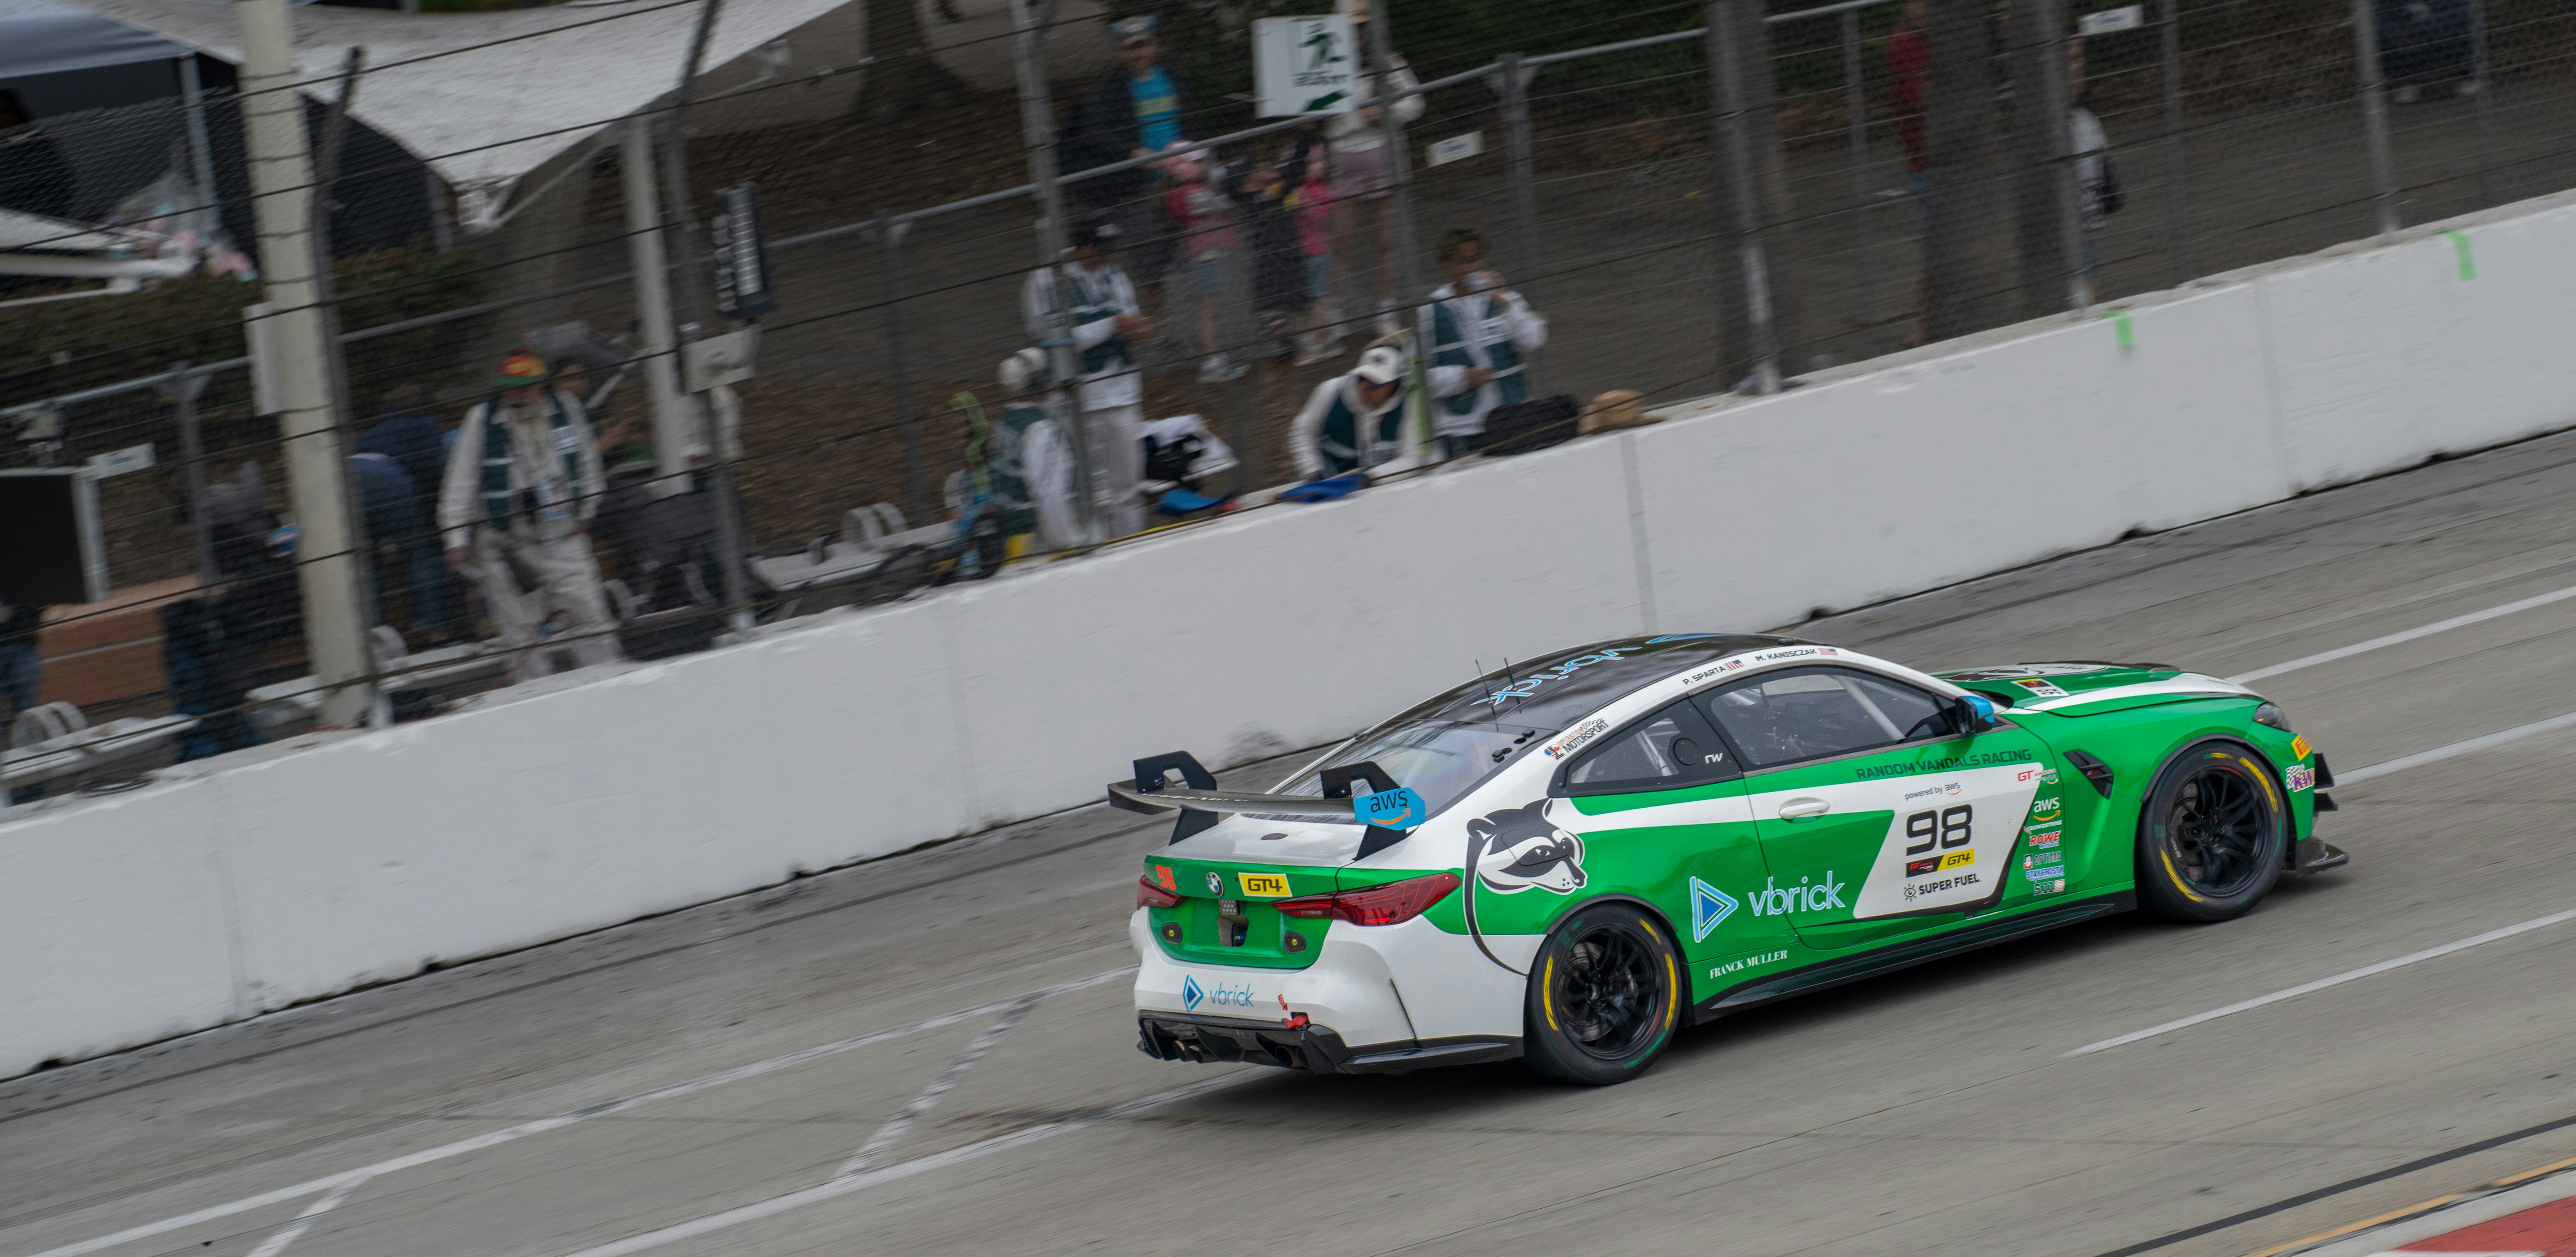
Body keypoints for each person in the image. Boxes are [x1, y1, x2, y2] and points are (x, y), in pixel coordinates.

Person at [436, 350, 622, 678]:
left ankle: (605, 678)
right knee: (520, 628)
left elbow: (587, 464)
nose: (515, 395)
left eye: (523, 387)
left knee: (590, 612)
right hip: (507, 538)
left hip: (563, 531)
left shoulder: (567, 409)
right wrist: (456, 539)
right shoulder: (482, 419)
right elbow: (460, 483)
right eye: (509, 388)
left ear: (540, 386)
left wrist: (586, 513)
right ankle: (533, 693)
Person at [1022, 216, 1152, 539]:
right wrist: (1112, 326)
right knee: (1086, 484)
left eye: (1108, 250)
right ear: (1080, 249)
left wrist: (1137, 330)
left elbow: (1129, 315)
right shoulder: (1045, 281)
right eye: (1098, 249)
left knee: (1129, 484)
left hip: (1123, 392)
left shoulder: (1115, 274)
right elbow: (1053, 339)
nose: (1106, 257)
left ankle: (1131, 544)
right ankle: (1094, 547)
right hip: (1079, 398)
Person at [1060, 16, 1191, 291]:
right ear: (1120, 52)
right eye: (1130, 48)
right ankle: (1154, 325)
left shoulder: (1172, 76)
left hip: (1179, 176)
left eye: (1143, 46)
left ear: (1154, 46)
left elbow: (1190, 119)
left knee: (1192, 248)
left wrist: (1195, 155)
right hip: (1135, 185)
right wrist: (1132, 152)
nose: (1138, 54)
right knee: (1147, 262)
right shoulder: (1111, 88)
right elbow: (1094, 130)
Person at [1327, 0, 1423, 338]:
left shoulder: (1389, 62)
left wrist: (1383, 113)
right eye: (1350, 27)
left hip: (1385, 158)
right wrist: (1361, 115)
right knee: (1341, 242)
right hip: (1345, 161)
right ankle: (1334, 318)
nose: (1357, 34)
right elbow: (1324, 117)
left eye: (1361, 26)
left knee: (1386, 241)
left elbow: (1415, 103)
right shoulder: (1326, 65)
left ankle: (1386, 313)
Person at [1417, 227, 1548, 458]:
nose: (1471, 268)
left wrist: (1506, 303)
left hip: (1512, 418)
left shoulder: (1505, 299)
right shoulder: (1429, 312)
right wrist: (1460, 378)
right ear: (1445, 266)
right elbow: (1418, 378)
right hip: (1461, 428)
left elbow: (1534, 340)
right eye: (1461, 262)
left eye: (1475, 259)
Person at [1160, 148, 1246, 383]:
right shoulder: (1187, 192)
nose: (1203, 165)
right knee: (1208, 309)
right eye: (1196, 162)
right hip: (1203, 256)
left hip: (1208, 254)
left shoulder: (1193, 189)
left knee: (1212, 307)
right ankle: (1212, 362)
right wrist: (1233, 183)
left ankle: (1217, 359)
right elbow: (1217, 205)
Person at [1289, 343, 1411, 481]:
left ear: (1394, 384)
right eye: (1362, 378)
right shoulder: (1330, 392)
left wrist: (1369, 478)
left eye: (1376, 383)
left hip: (1379, 488)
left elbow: (1413, 458)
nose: (1365, 386)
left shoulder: (1408, 403)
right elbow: (1303, 431)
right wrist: (1312, 471)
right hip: (1327, 484)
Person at [1289, 141, 1339, 364]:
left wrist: (1304, 201)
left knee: (1317, 298)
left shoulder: (1322, 191)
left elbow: (1318, 219)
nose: (1312, 167)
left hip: (1316, 252)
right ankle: (1327, 338)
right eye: (1306, 162)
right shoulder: (1295, 189)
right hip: (1301, 253)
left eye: (1318, 161)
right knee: (1313, 298)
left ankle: (1318, 343)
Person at [1885, 0, 1931, 215]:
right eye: (1918, 3)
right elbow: (1919, 97)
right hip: (1924, 157)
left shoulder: (1927, 39)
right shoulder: (1904, 42)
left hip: (1941, 153)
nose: (1925, 8)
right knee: (1934, 225)